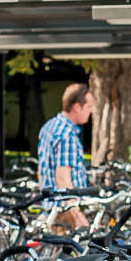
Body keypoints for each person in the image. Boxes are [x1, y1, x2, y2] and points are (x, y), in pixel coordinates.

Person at [37, 81, 95, 228]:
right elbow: (62, 179)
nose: (91, 111)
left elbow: (41, 171)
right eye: (89, 107)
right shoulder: (67, 135)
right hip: (64, 211)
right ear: (77, 107)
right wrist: (78, 217)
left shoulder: (49, 127)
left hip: (50, 206)